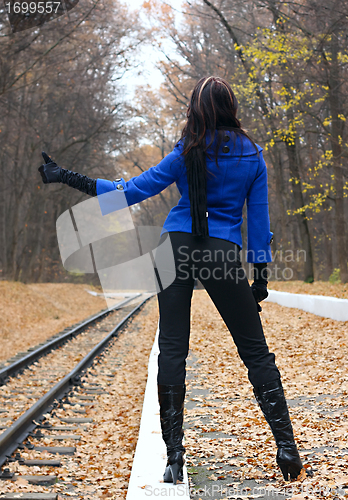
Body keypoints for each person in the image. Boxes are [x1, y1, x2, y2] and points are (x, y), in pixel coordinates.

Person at [38, 76, 308, 485]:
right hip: (220, 251)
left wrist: (66, 176)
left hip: (174, 248)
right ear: (230, 107)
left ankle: (175, 458)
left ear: (197, 110)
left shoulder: (187, 151)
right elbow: (259, 223)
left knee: (172, 349)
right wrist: (260, 278)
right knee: (256, 352)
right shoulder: (252, 155)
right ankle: (287, 450)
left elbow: (126, 193)